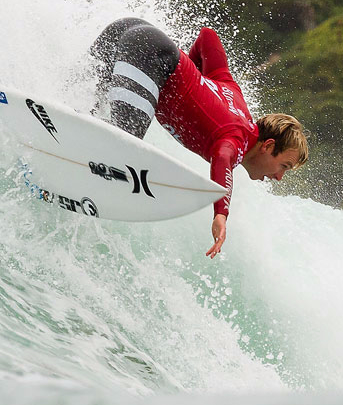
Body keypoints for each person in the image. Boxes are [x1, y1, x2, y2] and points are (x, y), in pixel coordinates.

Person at [90, 18, 309, 258]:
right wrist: (221, 214)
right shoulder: (238, 138)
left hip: (130, 31)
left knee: (87, 108)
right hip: (149, 55)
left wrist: (188, 77)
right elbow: (222, 157)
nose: (279, 177)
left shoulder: (235, 99)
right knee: (121, 146)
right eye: (284, 166)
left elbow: (207, 36)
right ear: (268, 146)